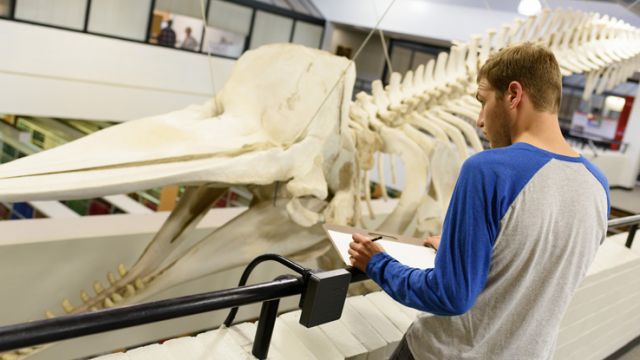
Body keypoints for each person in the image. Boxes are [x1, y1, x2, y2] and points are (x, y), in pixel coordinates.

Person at [348, 42, 609, 360]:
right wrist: (459, 250)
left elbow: (450, 296)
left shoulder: (488, 169)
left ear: (513, 95)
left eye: (484, 102)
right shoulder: (597, 186)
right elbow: (532, 264)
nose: (480, 120)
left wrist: (377, 263)